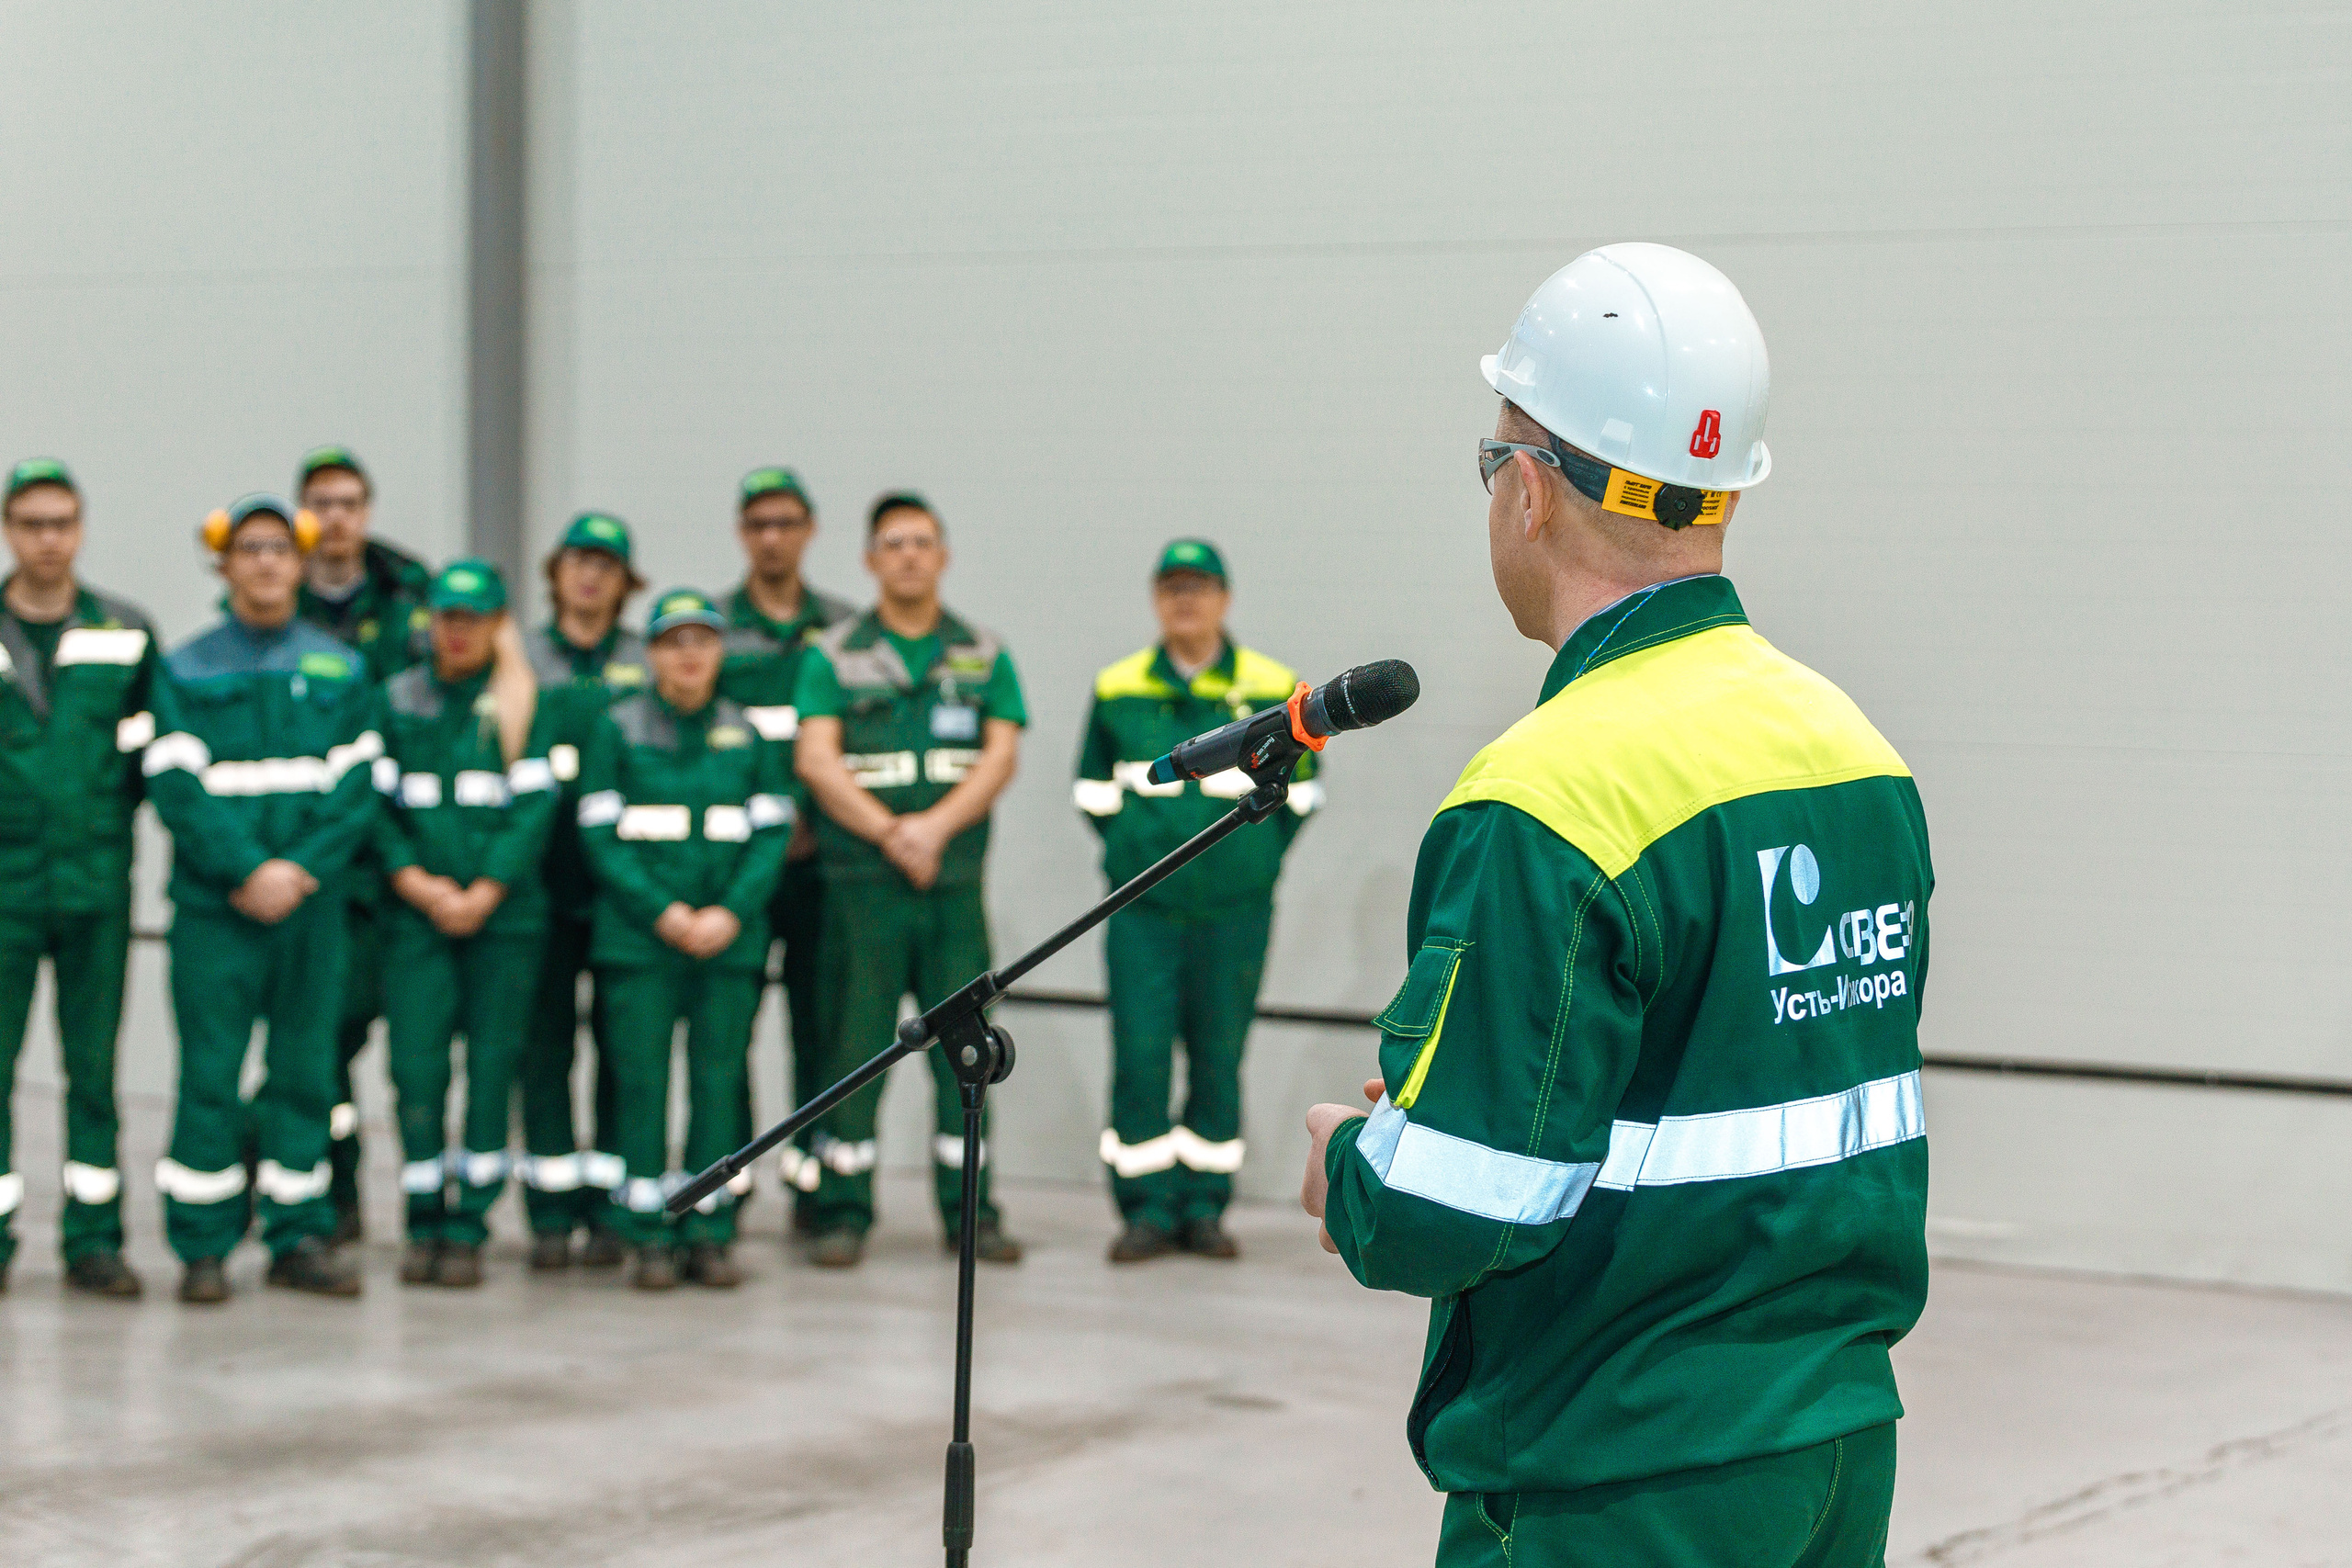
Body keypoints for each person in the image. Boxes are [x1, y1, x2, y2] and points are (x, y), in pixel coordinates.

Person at [1299, 244, 1933, 1567]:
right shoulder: (1855, 750)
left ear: (1529, 489)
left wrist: (1353, 1167)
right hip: (1830, 1447)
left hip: (1619, 1472)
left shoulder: (1548, 795)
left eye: (1492, 464)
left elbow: (1457, 1205)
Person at [144, 496, 383, 1303]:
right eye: (250, 548)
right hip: (219, 911)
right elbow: (175, 784)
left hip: (309, 909)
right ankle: (204, 1246)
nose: (268, 561)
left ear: (302, 559)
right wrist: (248, 870)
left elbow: (357, 787)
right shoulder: (185, 667)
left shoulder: (339, 667)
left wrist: (297, 872)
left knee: (305, 1072)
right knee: (210, 1074)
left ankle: (298, 1234)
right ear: (224, 563)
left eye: (281, 547)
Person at [794, 492, 1026, 1269]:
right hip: (864, 892)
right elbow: (817, 759)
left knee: (969, 1057)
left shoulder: (983, 653)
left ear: (943, 554)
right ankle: (842, 1210)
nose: (908, 555)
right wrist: (892, 830)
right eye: (892, 543)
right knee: (854, 1053)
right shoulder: (834, 653)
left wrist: (932, 828)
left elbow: (1000, 755)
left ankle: (971, 1215)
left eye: (922, 541)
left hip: (953, 892)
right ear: (869, 559)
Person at [1074, 540, 1320, 1263]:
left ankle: (1206, 1207)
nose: (1188, 599)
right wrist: (1132, 851)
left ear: (1225, 597)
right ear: (1156, 597)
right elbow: (1091, 791)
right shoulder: (1118, 687)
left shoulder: (1277, 688)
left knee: (1219, 1055)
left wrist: (1254, 862)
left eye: (1202, 586)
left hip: (1235, 912)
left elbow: (1301, 794)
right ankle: (1146, 1210)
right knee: (1141, 1056)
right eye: (1174, 587)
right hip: (1142, 913)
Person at [577, 589, 794, 1290]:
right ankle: (648, 1231)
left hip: (729, 944)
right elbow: (600, 836)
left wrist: (729, 913)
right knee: (641, 1084)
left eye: (703, 640)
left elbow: (770, 834)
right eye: (675, 641)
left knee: (717, 1083)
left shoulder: (747, 733)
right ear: (651, 653)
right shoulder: (616, 729)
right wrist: (664, 912)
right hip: (640, 944)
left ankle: (709, 1228)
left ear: (720, 651)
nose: (690, 655)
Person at [0, 458, 159, 1298]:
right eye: (31, 523)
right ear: (8, 530)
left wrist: (102, 829)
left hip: (96, 886)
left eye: (61, 522)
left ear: (82, 528)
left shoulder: (125, 633)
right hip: (3, 891)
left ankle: (94, 1237)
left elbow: (147, 760)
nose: (47, 539)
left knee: (92, 1070)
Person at [375, 561, 558, 1287]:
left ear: (496, 624)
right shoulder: (395, 701)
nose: (456, 631)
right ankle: (422, 1217)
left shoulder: (522, 704)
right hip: (416, 925)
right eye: (445, 616)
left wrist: (485, 888)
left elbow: (534, 810)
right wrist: (418, 884)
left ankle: (470, 1225)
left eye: (472, 618)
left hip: (503, 923)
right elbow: (379, 808)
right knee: (416, 1071)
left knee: (490, 1071)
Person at [294, 446, 435, 1246]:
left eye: (349, 501)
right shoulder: (281, 605)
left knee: (408, 1043)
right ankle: (333, 1187)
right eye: (321, 503)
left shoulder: (412, 595)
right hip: (327, 858)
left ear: (368, 510)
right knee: (324, 1039)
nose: (337, 518)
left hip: (408, 847)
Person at [715, 466, 855, 1232]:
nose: (772, 536)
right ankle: (728, 1190)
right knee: (728, 1030)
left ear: (809, 530)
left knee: (824, 1027)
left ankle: (818, 1189)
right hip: (738, 865)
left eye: (786, 522)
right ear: (743, 532)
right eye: (759, 523)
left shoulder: (840, 629)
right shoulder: (709, 625)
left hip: (822, 866)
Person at [516, 512, 648, 1268]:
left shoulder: (647, 658)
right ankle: (547, 1210)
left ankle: (611, 1208)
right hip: (540, 881)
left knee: (625, 1050)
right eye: (577, 561)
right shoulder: (524, 656)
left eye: (607, 563)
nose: (590, 576)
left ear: (627, 580)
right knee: (545, 1049)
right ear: (555, 571)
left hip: (625, 886)